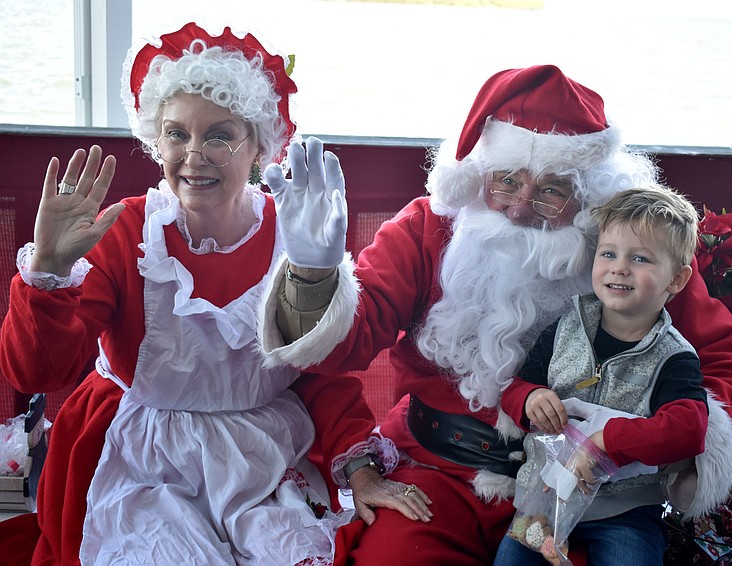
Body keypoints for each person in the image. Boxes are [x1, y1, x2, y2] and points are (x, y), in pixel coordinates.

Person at [258, 65, 732, 564]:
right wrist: (313, 273)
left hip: (586, 498)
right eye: (506, 181)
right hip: (436, 472)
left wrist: (648, 440)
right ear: (478, 176)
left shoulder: (626, 256)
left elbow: (731, 372)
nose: (520, 208)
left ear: (589, 198)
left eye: (551, 190)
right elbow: (344, 340)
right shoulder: (427, 229)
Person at [0, 21, 424, 566]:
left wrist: (359, 468)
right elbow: (37, 372)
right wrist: (49, 272)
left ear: (260, 147)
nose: (193, 155)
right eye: (176, 134)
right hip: (143, 456)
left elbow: (320, 376)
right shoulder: (130, 232)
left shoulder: (292, 233)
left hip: (264, 456)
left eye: (219, 135)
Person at [494, 185, 732, 565]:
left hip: (625, 511)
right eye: (608, 254)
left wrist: (607, 442)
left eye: (640, 259)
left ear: (676, 280)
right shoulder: (565, 328)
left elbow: (688, 428)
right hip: (544, 498)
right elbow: (517, 387)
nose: (619, 267)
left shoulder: (673, 357)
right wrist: (528, 399)